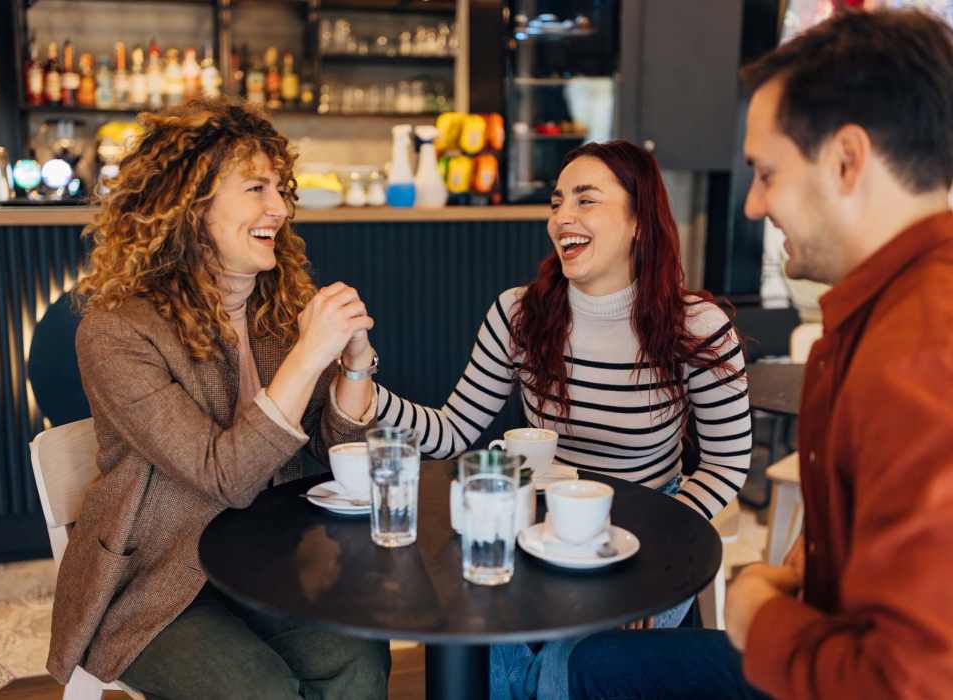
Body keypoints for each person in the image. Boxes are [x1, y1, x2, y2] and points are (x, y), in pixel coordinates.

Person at [568, 8, 953, 699]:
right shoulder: (880, 315)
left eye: (767, 173)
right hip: (827, 637)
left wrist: (760, 614)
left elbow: (913, 682)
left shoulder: (919, 350)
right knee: (596, 665)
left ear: (846, 161)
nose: (751, 206)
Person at [375, 139, 752, 698]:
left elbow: (725, 462)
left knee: (571, 663)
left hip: (651, 529)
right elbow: (454, 429)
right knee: (488, 626)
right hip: (538, 529)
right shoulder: (518, 314)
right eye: (556, 202)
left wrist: (652, 558)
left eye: (586, 200)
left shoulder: (697, 326)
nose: (562, 217)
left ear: (638, 222)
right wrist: (363, 393)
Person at [45, 98, 390, 699]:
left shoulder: (276, 310)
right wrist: (312, 355)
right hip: (158, 585)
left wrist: (356, 367)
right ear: (190, 203)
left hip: (270, 560)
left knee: (360, 656)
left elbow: (343, 452)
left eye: (281, 189)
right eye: (256, 187)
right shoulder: (116, 332)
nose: (280, 208)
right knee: (259, 692)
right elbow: (222, 474)